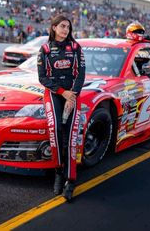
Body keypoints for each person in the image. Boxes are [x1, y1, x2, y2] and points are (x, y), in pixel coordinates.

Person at [37, 14, 85, 202]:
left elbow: (81, 75)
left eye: (68, 27)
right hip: (54, 93)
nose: (66, 30)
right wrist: (62, 93)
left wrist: (72, 94)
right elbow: (42, 78)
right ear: (54, 27)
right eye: (62, 26)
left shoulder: (76, 48)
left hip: (73, 94)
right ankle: (58, 172)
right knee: (56, 129)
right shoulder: (45, 49)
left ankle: (71, 179)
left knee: (72, 134)